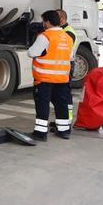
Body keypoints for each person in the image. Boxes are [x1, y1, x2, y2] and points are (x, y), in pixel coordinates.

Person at [28, 10, 72, 141]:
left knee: (43, 105)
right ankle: (64, 130)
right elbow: (70, 57)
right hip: (62, 79)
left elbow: (31, 52)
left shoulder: (45, 36)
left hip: (44, 78)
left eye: (43, 21)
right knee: (61, 104)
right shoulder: (67, 37)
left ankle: (40, 133)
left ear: (47, 22)